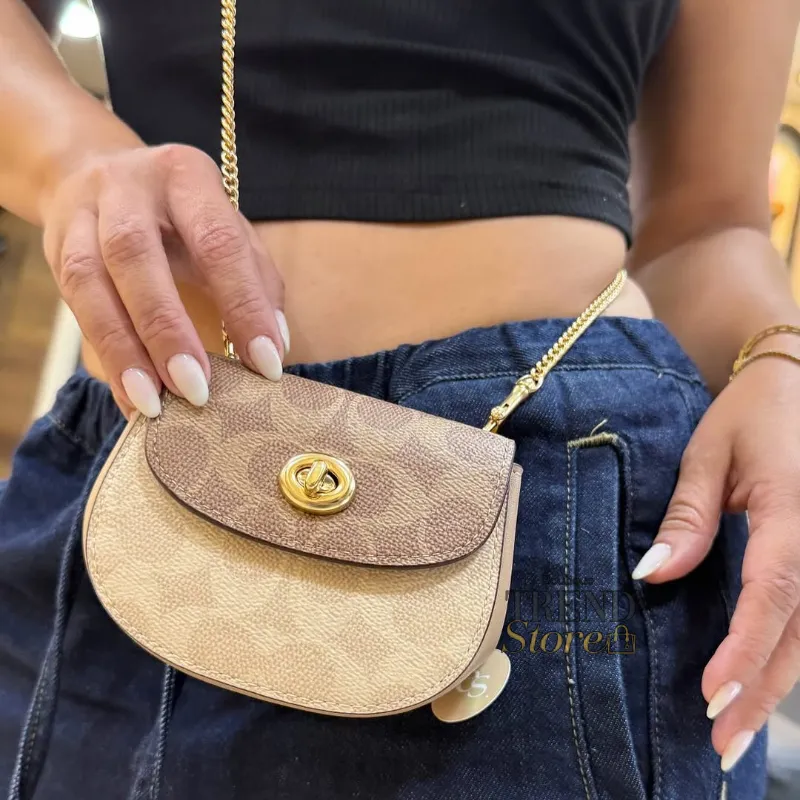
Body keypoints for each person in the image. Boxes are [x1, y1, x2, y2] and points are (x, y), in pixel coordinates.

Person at [1, 0, 800, 797]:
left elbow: (710, 226)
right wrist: (69, 155)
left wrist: (780, 358)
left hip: (556, 493)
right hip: (146, 459)